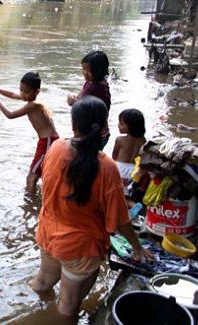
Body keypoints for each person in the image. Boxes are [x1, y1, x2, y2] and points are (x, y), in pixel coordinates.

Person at [29, 97, 152, 324]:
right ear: (104, 128)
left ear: (74, 125)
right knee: (68, 305)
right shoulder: (107, 167)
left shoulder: (56, 148)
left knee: (42, 284)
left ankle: (34, 313)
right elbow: (118, 219)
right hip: (80, 247)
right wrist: (137, 248)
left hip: (48, 233)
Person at [0, 72, 60, 194]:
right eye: (21, 90)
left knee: (31, 177)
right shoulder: (31, 98)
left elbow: (10, 115)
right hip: (46, 140)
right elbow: (11, 94)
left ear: (37, 91)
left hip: (48, 142)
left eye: (26, 91)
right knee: (40, 173)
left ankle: (30, 204)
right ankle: (38, 199)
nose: (22, 94)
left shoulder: (33, 105)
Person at [67, 50, 111, 148]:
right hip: (99, 132)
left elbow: (79, 105)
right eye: (83, 70)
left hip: (94, 134)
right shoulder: (93, 83)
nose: (85, 73)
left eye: (88, 71)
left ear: (98, 71)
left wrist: (71, 99)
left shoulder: (95, 87)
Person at [112, 109, 146, 185]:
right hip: (134, 171)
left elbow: (114, 156)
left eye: (121, 124)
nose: (118, 126)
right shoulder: (143, 141)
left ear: (131, 127)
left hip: (119, 169)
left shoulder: (120, 140)